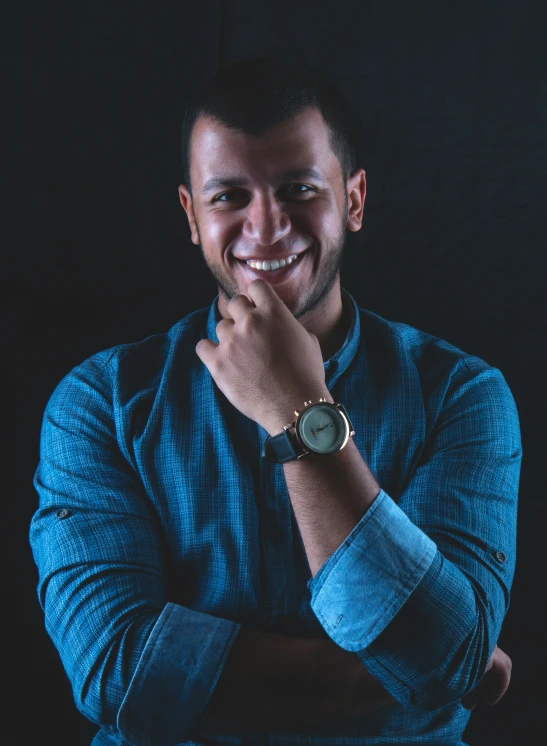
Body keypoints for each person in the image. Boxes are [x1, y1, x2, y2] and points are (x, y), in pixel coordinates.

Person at [30, 56, 520, 746]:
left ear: (352, 200)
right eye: (228, 196)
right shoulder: (100, 404)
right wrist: (422, 669)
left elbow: (442, 655)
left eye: (298, 189)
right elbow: (116, 674)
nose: (265, 228)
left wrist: (298, 408)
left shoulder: (461, 396)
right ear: (191, 215)